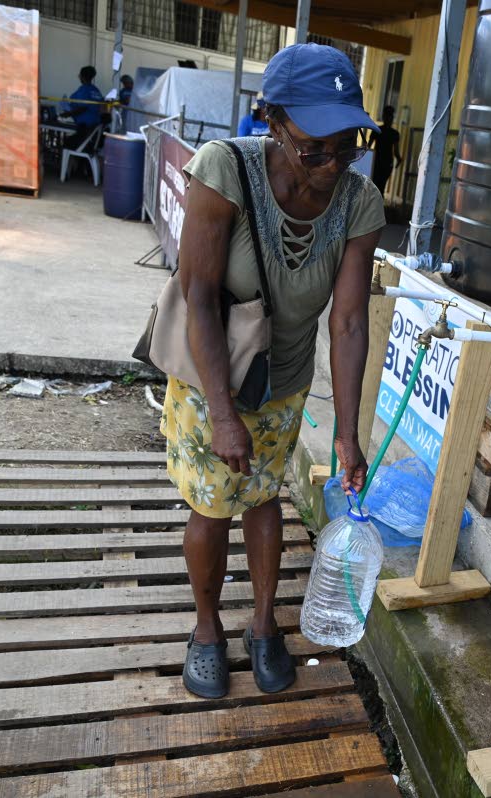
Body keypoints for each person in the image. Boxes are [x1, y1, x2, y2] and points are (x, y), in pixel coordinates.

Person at [163, 43, 384, 699]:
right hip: (213, 376)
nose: (331, 164)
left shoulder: (358, 201)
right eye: (315, 148)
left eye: (349, 146)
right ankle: (206, 628)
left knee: (263, 499)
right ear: (273, 120)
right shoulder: (224, 169)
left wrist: (346, 432)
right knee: (211, 504)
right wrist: (224, 414)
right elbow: (198, 294)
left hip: (284, 381)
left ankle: (263, 625)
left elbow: (346, 322)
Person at [59, 66, 103, 150]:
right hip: (93, 132)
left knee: (66, 143)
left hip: (85, 131)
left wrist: (68, 114)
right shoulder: (96, 90)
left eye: (79, 75)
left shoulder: (84, 90)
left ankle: (70, 163)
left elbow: (82, 108)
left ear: (82, 76)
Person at [370, 104, 402, 197]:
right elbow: (396, 152)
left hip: (377, 163)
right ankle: (378, 207)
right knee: (381, 187)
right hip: (386, 164)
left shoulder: (376, 130)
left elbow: (368, 147)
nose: (389, 119)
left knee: (374, 186)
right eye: (389, 116)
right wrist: (399, 160)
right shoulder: (394, 134)